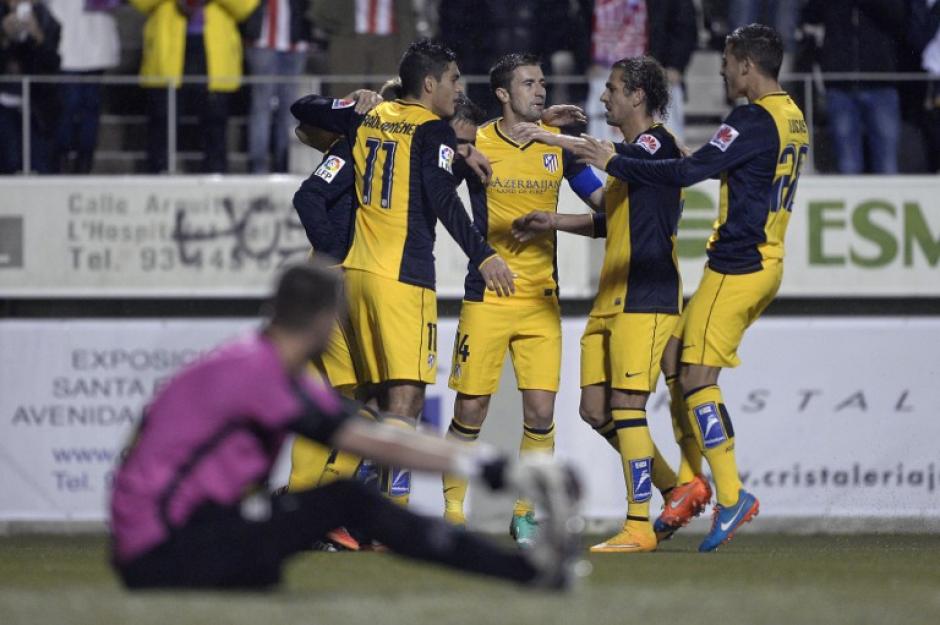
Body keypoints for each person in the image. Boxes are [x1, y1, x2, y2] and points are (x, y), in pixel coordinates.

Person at [110, 262, 583, 589]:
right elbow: (375, 444)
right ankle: (522, 573)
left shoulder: (259, 361)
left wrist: (489, 466)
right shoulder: (257, 372)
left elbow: (378, 435)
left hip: (167, 536)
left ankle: (523, 571)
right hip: (163, 547)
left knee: (288, 542)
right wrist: (496, 468)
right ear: (323, 320)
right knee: (348, 499)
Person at [572, 24, 809, 552]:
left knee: (698, 378)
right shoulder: (792, 115)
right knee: (678, 364)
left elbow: (687, 171)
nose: (722, 72)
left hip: (739, 264)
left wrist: (611, 160)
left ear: (746, 65)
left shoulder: (750, 118)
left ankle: (730, 494)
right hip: (762, 260)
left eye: (727, 62)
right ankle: (686, 482)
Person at [290, 39, 516, 508]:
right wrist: (484, 255)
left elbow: (301, 107)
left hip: (354, 276)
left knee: (368, 401)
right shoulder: (432, 131)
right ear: (430, 83)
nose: (458, 88)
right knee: (406, 402)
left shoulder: (367, 118)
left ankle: (322, 502)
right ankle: (384, 514)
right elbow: (442, 201)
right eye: (453, 79)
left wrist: (352, 100)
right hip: (402, 278)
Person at [511, 56, 711, 553]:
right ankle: (677, 488)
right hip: (613, 293)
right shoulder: (633, 157)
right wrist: (552, 220)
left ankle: (639, 525)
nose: (604, 98)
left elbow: (601, 153)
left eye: (613, 89)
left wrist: (544, 135)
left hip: (648, 294)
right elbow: (609, 219)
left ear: (638, 95)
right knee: (595, 409)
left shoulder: (656, 145)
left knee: (627, 405)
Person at [438, 53, 604, 547]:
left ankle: (525, 514)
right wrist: (482, 250)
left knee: (540, 414)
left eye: (543, 82)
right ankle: (452, 512)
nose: (541, 90)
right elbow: (438, 194)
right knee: (471, 411)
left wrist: (563, 218)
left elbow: (605, 208)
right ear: (504, 94)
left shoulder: (559, 149)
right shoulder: (478, 143)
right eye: (529, 83)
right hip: (487, 296)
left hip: (541, 300)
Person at [130, 0, 258, 173]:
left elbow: (245, 7)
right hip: (165, 54)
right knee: (163, 121)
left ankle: (215, 176)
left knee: (215, 122)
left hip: (215, 55)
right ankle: (158, 174)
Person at [802, 0, 904, 174]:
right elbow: (810, 14)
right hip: (840, 85)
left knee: (887, 164)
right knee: (848, 164)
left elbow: (898, 17)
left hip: (881, 83)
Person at [46, 0, 119, 174]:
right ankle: (62, 161)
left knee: (89, 108)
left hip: (95, 43)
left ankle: (84, 163)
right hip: (65, 42)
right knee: (68, 107)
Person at [243, 0, 312, 173]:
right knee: (261, 107)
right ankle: (257, 166)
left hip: (295, 44)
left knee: (290, 110)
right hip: (262, 43)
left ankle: (285, 164)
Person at [0, 0, 60, 174]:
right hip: (3, 106)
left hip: (37, 108)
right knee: (9, 163)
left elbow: (52, 65)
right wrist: (3, 36)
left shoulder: (47, 20)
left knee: (41, 165)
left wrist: (38, 37)